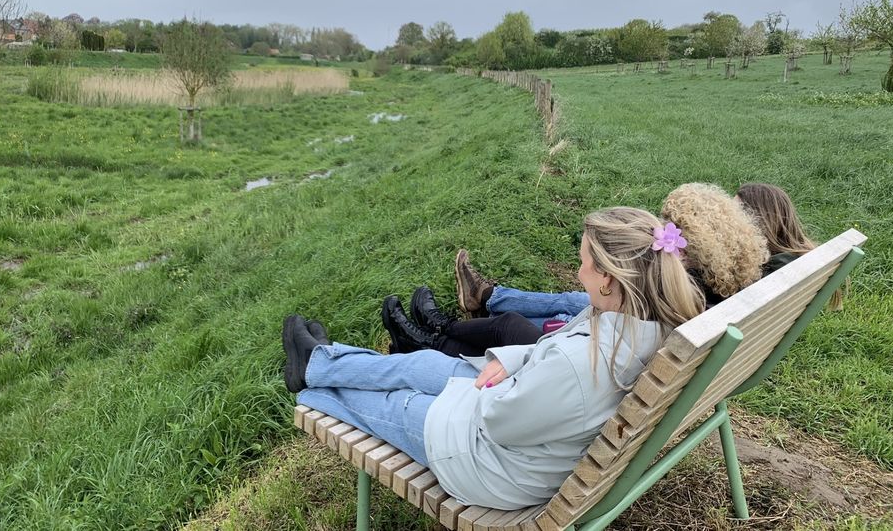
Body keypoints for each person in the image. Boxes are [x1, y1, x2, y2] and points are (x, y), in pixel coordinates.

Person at [283, 207, 703, 509]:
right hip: (535, 431)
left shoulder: (581, 365)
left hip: (493, 464)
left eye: (583, 263)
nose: (578, 274)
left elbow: (500, 422)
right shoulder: (641, 319)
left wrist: (481, 386)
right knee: (423, 365)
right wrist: (514, 362)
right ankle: (321, 361)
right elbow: (550, 357)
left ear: (608, 278)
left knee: (397, 402)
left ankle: (312, 384)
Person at [382, 183, 769, 356]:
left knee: (511, 326)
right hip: (623, 359)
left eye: (670, 230)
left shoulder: (681, 295)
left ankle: (436, 333)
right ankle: (444, 325)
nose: (660, 235)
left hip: (599, 367)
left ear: (698, 246)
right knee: (557, 308)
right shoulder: (711, 292)